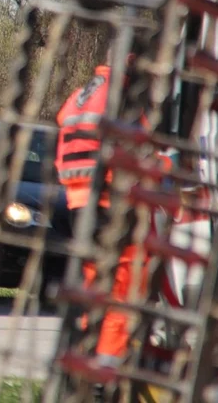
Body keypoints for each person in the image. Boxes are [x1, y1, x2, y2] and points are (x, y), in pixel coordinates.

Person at [54, 45, 167, 373]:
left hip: (78, 203)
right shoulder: (124, 98)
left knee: (97, 286)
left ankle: (89, 363)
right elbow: (145, 151)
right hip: (111, 202)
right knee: (124, 289)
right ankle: (108, 373)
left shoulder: (81, 94)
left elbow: (66, 130)